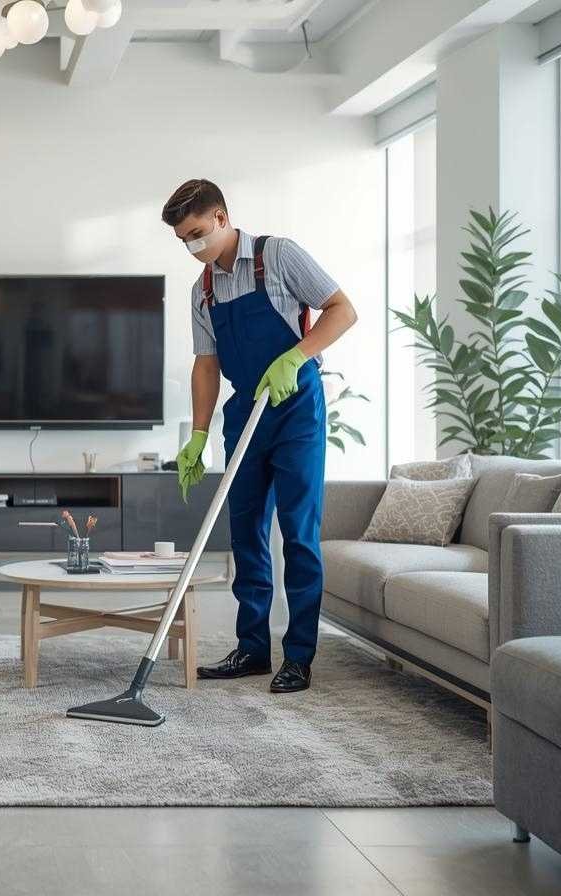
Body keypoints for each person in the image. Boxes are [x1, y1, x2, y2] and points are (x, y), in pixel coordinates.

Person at [164, 179, 357, 694]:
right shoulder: (202, 289)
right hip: (246, 406)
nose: (193, 246)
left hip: (296, 408)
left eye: (198, 232)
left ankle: (298, 656)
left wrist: (297, 355)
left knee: (297, 531)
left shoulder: (278, 255)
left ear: (223, 217)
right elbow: (206, 365)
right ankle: (251, 648)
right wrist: (198, 434)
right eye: (184, 239)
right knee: (246, 530)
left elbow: (342, 310)